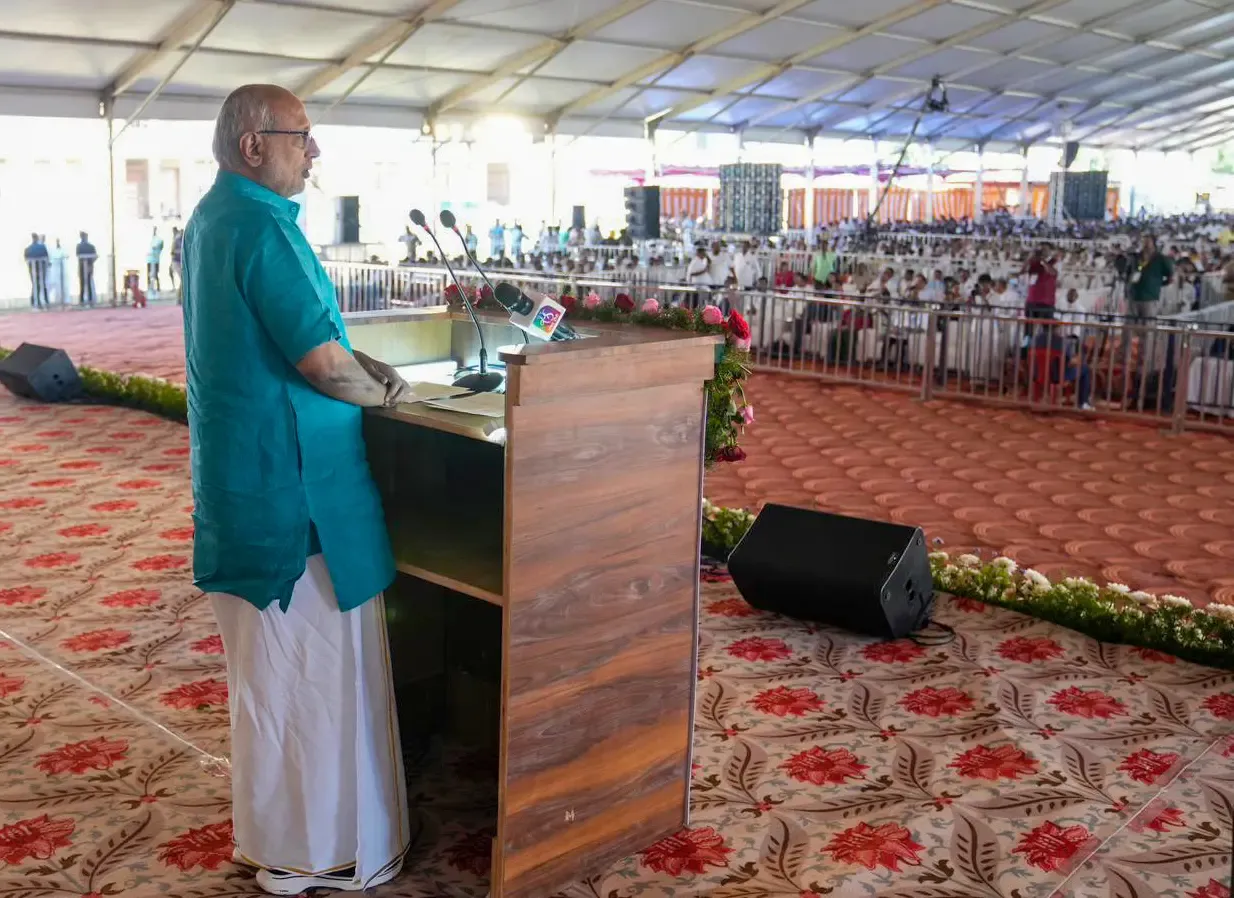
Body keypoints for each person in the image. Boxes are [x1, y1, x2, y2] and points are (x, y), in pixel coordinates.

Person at [183, 83, 410, 896]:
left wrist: (365, 368)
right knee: (313, 682)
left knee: (270, 684)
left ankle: (274, 838)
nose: (313, 152)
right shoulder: (260, 226)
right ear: (253, 145)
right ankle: (314, 852)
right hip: (294, 497)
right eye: (301, 137)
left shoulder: (215, 217)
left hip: (245, 481)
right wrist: (390, 394)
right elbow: (320, 363)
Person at [24, 233, 49, 309]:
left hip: (33, 269)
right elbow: (46, 258)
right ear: (37, 238)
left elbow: (26, 259)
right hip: (41, 269)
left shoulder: (28, 249)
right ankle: (44, 302)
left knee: (35, 285)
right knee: (42, 285)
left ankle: (35, 302)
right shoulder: (42, 247)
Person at [76, 232, 97, 305]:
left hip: (86, 266)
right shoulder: (89, 246)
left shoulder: (81, 246)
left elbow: (94, 256)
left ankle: (86, 300)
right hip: (86, 266)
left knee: (85, 283)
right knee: (85, 283)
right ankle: (86, 300)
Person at [48, 237, 68, 305]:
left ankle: (64, 300)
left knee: (63, 286)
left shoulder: (63, 249)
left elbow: (66, 256)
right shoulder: (52, 250)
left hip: (62, 270)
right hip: (54, 270)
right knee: (52, 284)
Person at [147, 227, 164, 294]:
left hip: (155, 260)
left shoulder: (158, 240)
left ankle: (157, 289)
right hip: (150, 260)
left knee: (155, 275)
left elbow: (158, 246)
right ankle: (151, 288)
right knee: (150, 275)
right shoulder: (152, 239)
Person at [170, 226, 184, 302]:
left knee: (183, 280)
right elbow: (172, 253)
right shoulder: (176, 240)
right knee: (182, 279)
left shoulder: (184, 239)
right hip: (176, 262)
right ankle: (179, 298)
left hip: (181, 262)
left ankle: (180, 298)